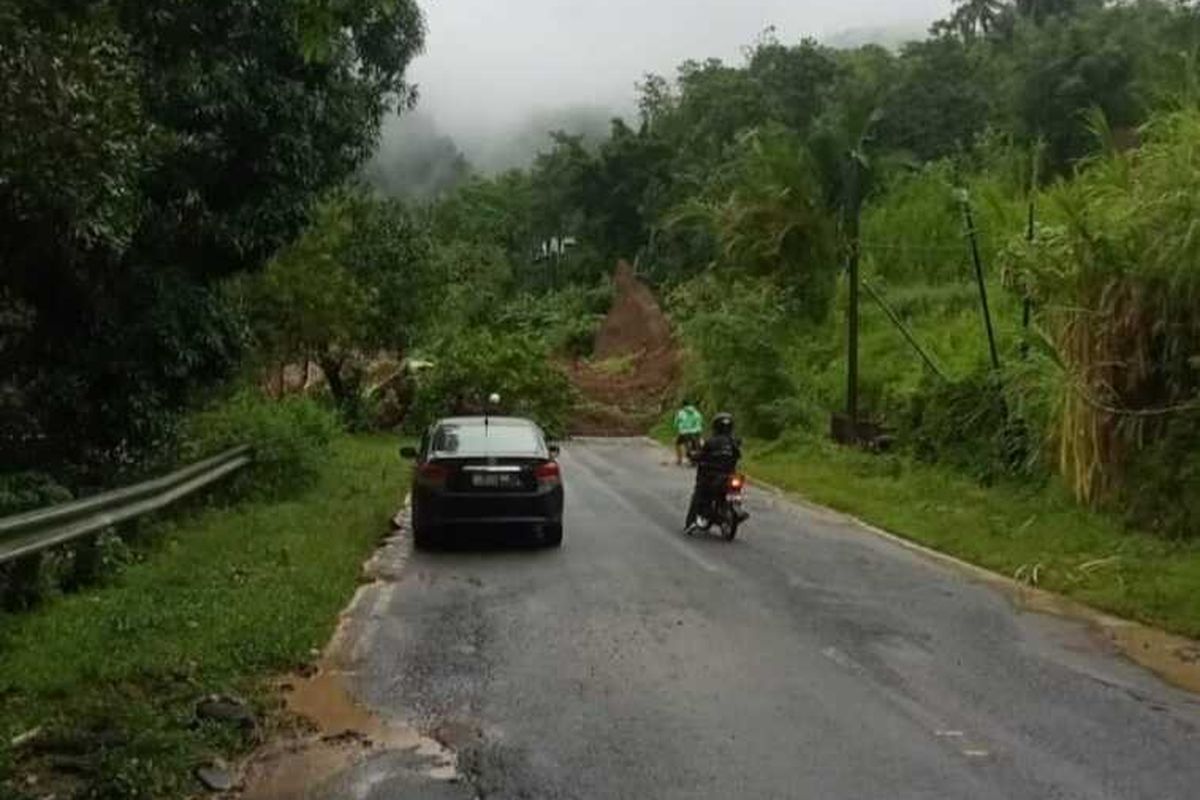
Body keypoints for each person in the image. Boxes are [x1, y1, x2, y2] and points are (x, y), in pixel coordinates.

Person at [685, 412, 742, 529]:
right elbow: (738, 456)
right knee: (735, 488)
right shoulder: (734, 442)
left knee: (699, 494)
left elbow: (701, 455)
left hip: (711, 475)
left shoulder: (711, 442)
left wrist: (692, 455)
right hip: (729, 475)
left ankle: (690, 522)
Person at [673, 399, 705, 466]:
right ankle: (697, 458)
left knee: (677, 443)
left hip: (684, 432)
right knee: (698, 444)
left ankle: (679, 460)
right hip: (696, 432)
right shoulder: (697, 413)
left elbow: (675, 424)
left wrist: (678, 427)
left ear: (683, 405)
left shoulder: (680, 412)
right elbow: (700, 422)